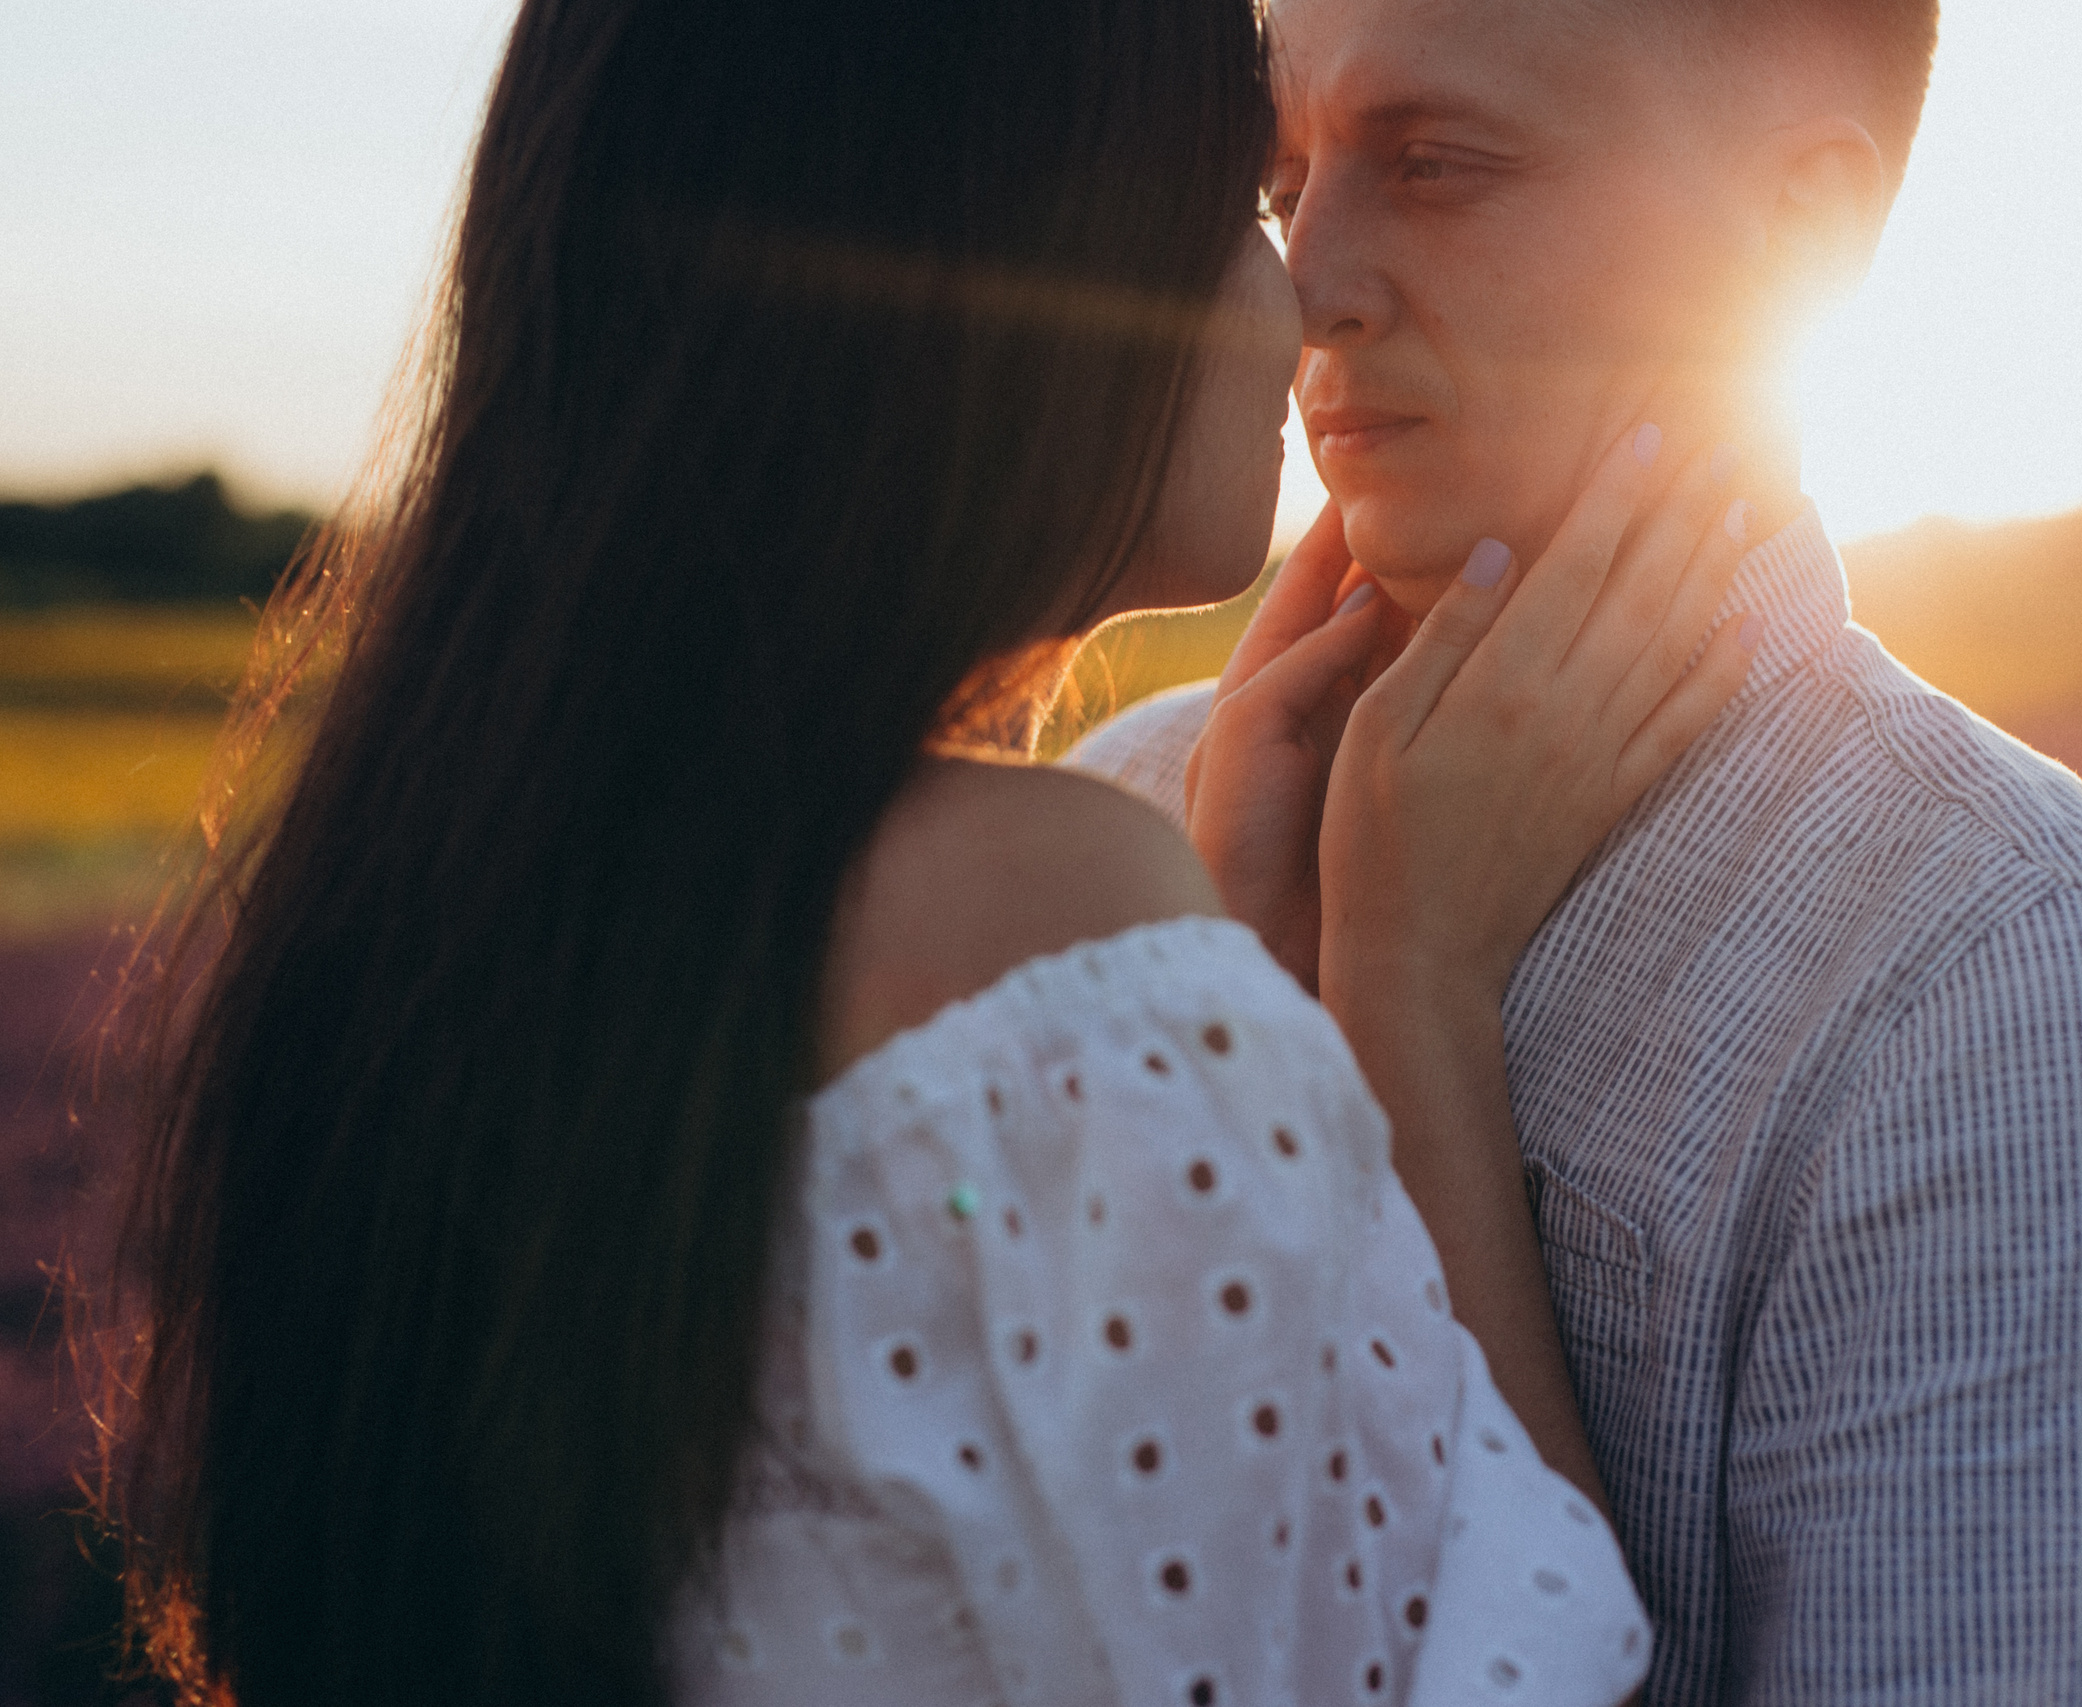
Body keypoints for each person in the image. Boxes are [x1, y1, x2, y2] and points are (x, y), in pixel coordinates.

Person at [102, 1, 1769, 1704]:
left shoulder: (439, 891)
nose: (1300, 298)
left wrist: (1235, 973)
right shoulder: (1034, 908)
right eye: (1235, 204)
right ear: (1004, 252)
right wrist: (1411, 980)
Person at [1067, 0, 2082, 1699]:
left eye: (1436, 165)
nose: (1304, 284)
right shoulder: (1117, 815)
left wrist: (1402, 1000)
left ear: (1794, 235)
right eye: (1283, 186)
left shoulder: (2000, 972)